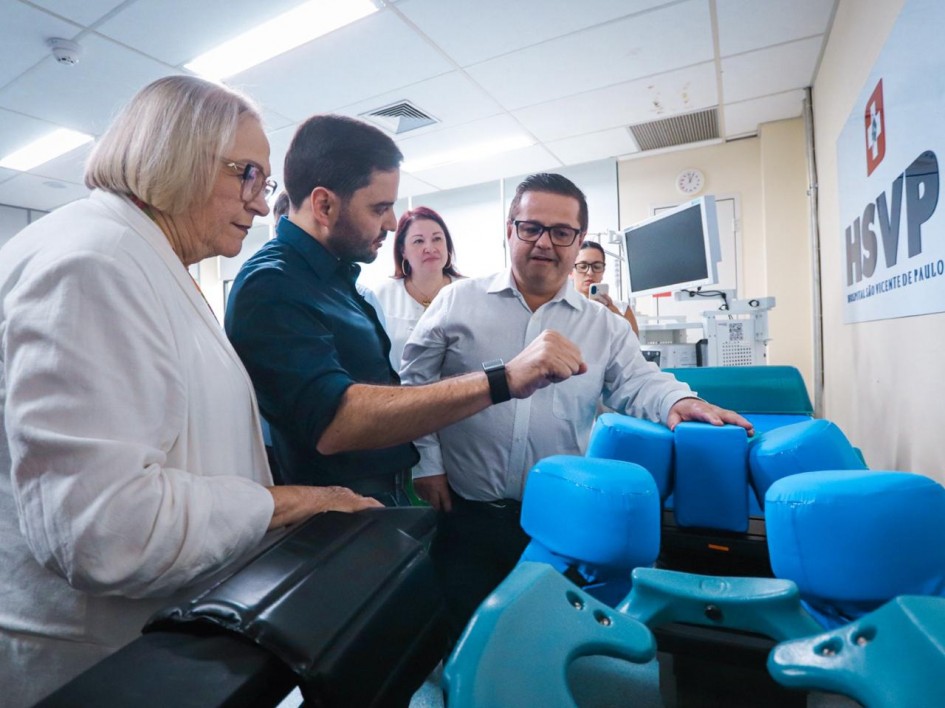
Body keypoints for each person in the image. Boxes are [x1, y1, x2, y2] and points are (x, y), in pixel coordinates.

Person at [0, 77, 381, 706]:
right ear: (173, 154)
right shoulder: (95, 262)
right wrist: (286, 503)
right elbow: (106, 530)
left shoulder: (138, 253)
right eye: (249, 175)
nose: (263, 205)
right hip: (86, 662)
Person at [400, 172, 753, 634]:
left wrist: (679, 401)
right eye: (531, 228)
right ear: (510, 230)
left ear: (579, 239)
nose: (545, 242)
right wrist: (427, 463)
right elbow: (415, 381)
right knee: (464, 636)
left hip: (559, 519)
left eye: (562, 232)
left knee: (544, 637)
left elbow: (640, 381)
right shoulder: (456, 301)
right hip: (467, 514)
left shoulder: (603, 327)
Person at [225, 116, 586, 507]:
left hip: (380, 497)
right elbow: (333, 421)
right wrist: (503, 379)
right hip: (335, 518)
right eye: (380, 207)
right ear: (324, 204)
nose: (393, 222)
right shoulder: (273, 285)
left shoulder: (337, 278)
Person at [375, 206, 463, 368]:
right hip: (401, 391)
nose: (429, 248)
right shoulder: (382, 296)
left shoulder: (468, 291)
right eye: (418, 241)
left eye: (437, 239)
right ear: (403, 251)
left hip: (464, 391)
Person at [571, 240, 640, 335]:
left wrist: (615, 314)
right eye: (583, 266)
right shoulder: (561, 310)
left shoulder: (622, 309)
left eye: (597, 266)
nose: (590, 272)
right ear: (571, 272)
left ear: (603, 271)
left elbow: (635, 345)